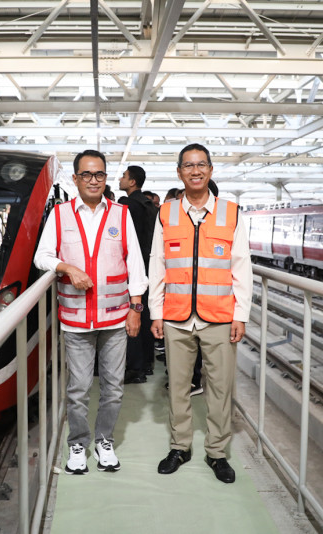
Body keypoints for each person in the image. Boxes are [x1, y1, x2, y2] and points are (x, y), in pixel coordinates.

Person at [34, 149, 147, 474]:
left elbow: (135, 264)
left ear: (105, 178)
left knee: (113, 388)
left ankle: (104, 440)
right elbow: (42, 256)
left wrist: (136, 308)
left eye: (99, 174)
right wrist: (67, 267)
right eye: (86, 174)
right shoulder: (60, 215)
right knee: (79, 388)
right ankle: (78, 444)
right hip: (76, 319)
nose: (93, 180)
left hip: (116, 317)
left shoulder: (121, 214)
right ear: (75, 179)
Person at [149, 143, 253, 484]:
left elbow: (242, 267)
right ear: (179, 172)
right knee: (177, 387)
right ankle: (179, 447)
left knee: (220, 389)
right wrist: (155, 311)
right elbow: (157, 265)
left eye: (201, 165)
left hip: (219, 316)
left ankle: (217, 452)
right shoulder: (166, 213)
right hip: (176, 315)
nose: (195, 171)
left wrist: (241, 314)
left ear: (210, 170)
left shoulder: (231, 213)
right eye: (188, 165)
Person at [117, 165, 158, 384]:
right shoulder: (150, 205)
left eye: (124, 176)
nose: (120, 179)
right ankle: (147, 364)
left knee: (133, 314)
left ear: (132, 182)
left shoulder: (127, 205)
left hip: (133, 270)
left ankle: (135, 368)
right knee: (145, 313)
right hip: (149, 268)